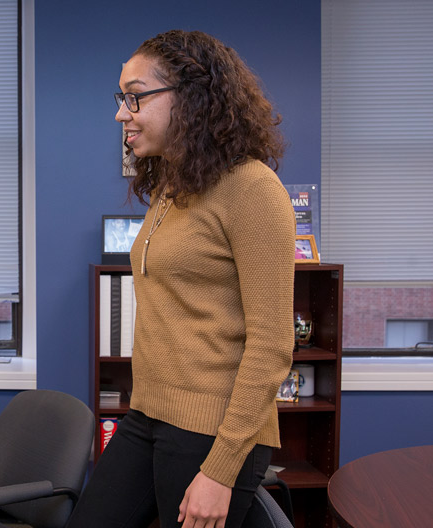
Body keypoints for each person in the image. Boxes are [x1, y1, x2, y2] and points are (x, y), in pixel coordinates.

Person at [67, 30, 295, 528]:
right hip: (150, 415)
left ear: (191, 97)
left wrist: (220, 470)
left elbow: (273, 343)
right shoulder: (173, 186)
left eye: (135, 97)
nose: (121, 113)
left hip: (215, 431)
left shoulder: (252, 187)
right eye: (120, 99)